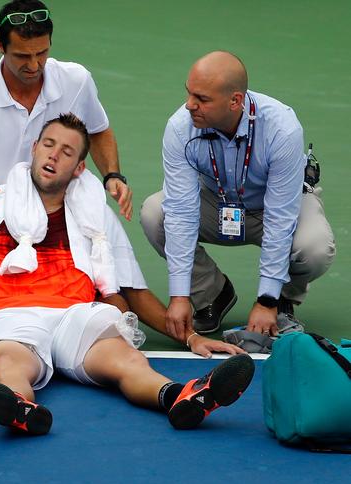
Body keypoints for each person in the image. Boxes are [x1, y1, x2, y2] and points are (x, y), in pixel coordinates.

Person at [0, 114, 252, 435]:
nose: (53, 156)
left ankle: (182, 396)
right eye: (48, 144)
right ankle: (20, 408)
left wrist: (191, 337)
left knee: (127, 359)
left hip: (75, 316)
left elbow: (133, 289)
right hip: (10, 319)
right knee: (9, 364)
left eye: (66, 152)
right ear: (34, 149)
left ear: (78, 168)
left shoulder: (94, 216)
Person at [0, 0, 163, 359]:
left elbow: (100, 131)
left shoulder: (75, 79)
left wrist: (112, 176)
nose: (34, 65)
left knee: (115, 308)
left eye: (42, 53)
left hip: (63, 215)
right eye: (22, 56)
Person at [140, 51, 336, 341]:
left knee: (315, 247)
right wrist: (179, 295)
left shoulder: (281, 128)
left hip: (275, 207)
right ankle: (212, 295)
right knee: (155, 214)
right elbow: (181, 211)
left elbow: (281, 217)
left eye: (202, 99)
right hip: (217, 203)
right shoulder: (180, 127)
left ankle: (282, 301)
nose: (189, 105)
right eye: (189, 93)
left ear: (235, 101)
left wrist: (266, 299)